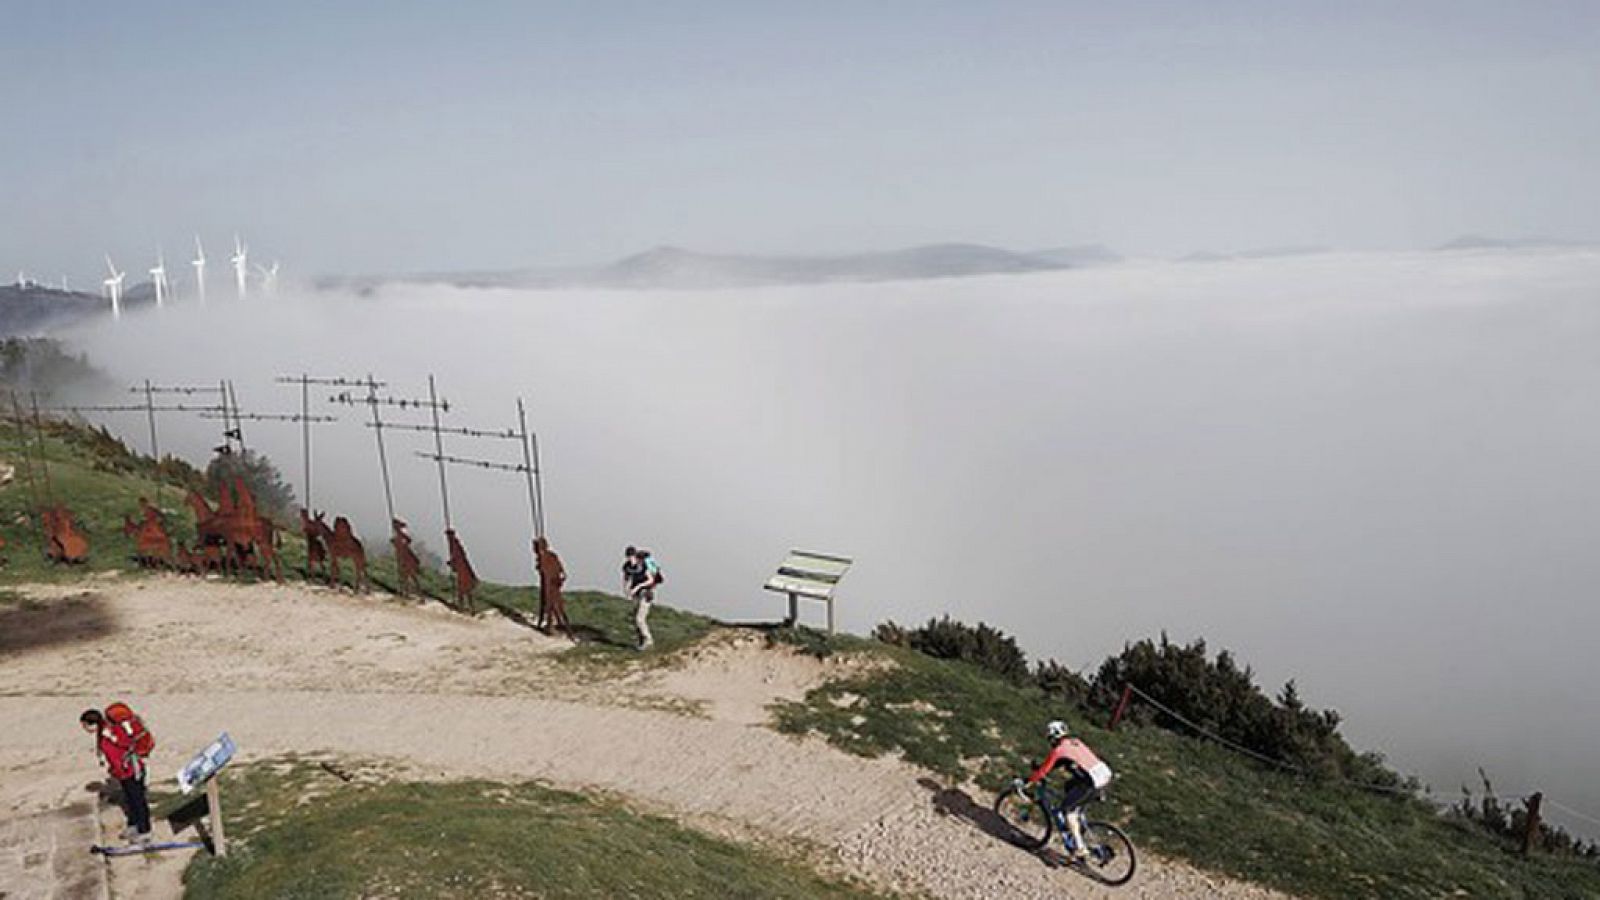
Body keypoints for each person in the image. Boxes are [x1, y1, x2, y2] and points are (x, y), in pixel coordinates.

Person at [1022, 719, 1113, 861]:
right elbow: (1064, 762)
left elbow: (1045, 770)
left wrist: (1028, 782)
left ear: (1052, 737)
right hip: (1103, 775)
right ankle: (1078, 820)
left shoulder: (1058, 750)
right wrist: (1043, 767)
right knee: (1069, 786)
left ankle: (1080, 848)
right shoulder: (1075, 742)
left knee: (1067, 811)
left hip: (1091, 782)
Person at [80, 708, 151, 844]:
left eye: (85, 726)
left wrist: (116, 769)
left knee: (138, 800)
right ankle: (133, 825)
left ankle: (145, 831)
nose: (85, 729)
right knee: (129, 800)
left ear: (92, 724)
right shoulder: (104, 731)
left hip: (131, 770)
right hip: (125, 772)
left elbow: (121, 750)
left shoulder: (109, 733)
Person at [534, 536, 570, 638]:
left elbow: (559, 569)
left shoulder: (549, 556)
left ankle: (552, 626)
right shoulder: (545, 557)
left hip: (551, 585)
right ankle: (550, 624)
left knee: (551, 605)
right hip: (549, 584)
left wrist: (560, 577)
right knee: (550, 605)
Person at [622, 546, 653, 650]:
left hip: (646, 593)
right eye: (629, 556)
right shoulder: (627, 566)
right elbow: (626, 579)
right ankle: (641, 641)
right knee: (635, 619)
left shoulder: (643, 565)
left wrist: (638, 587)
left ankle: (648, 640)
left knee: (640, 619)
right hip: (635, 595)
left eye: (632, 556)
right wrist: (627, 591)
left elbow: (650, 580)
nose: (631, 559)